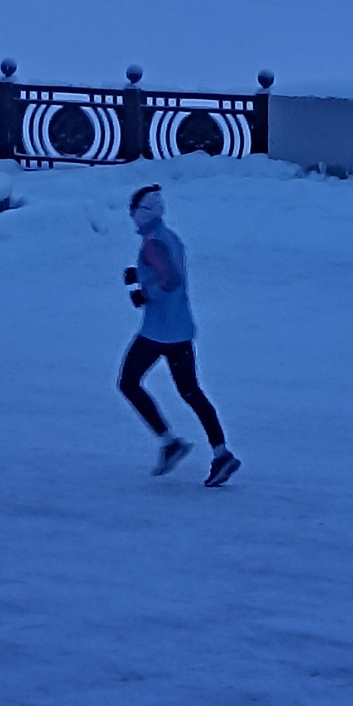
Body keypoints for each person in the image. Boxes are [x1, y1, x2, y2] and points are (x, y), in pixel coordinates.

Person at [118, 184, 240, 487]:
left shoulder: (151, 242)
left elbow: (170, 279)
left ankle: (170, 442)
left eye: (133, 210)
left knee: (128, 383)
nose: (131, 215)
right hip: (180, 329)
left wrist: (144, 294)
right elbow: (168, 267)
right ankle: (221, 452)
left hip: (158, 331)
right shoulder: (168, 237)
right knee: (191, 392)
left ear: (142, 212)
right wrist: (139, 273)